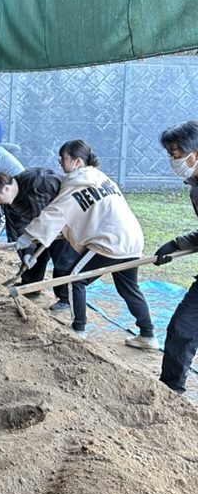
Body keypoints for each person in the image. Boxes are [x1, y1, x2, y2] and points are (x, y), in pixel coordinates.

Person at [16, 139, 157, 347]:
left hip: (110, 242)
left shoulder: (77, 182)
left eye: (63, 159)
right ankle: (148, 335)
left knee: (75, 278)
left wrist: (28, 236)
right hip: (132, 239)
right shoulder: (100, 177)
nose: (60, 164)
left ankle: (78, 330)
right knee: (128, 287)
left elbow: (55, 213)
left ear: (77, 162)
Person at [0, 167, 77, 308]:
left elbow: (58, 209)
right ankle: (31, 285)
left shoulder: (39, 181)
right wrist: (27, 252)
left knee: (62, 258)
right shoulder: (10, 204)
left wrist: (40, 233)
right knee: (34, 255)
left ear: (6, 189)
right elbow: (19, 229)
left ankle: (65, 298)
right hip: (38, 226)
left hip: (64, 222)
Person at [153, 121, 198, 393]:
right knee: (181, 329)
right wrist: (177, 243)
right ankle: (170, 394)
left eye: (178, 154)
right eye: (171, 155)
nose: (174, 160)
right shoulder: (195, 187)